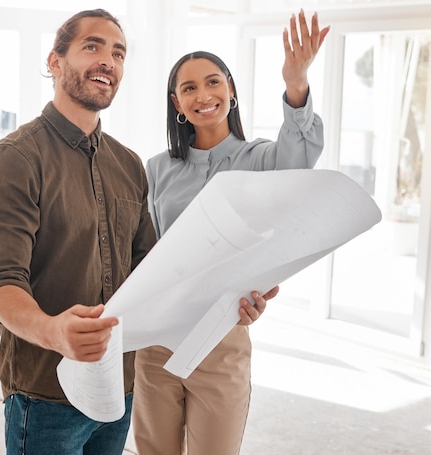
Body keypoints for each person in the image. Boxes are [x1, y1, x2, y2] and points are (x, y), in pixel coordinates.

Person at [0, 8, 273, 454]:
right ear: (55, 62)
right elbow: (1, 281)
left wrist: (231, 302)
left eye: (118, 52)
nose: (108, 61)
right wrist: (54, 331)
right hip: (45, 393)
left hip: (119, 383)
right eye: (91, 46)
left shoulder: (128, 164)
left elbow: (153, 272)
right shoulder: (16, 158)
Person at [132, 10, 330, 455]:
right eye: (189, 87)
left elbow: (298, 160)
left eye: (213, 81)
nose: (203, 94)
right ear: (177, 103)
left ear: (231, 90)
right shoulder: (157, 169)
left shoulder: (259, 159)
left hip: (221, 337)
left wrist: (296, 83)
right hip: (156, 341)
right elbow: (145, 251)